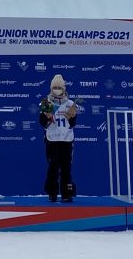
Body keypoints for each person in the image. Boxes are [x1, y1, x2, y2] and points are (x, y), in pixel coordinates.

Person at [39, 74, 77, 202]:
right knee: (53, 167)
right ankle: (52, 193)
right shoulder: (46, 102)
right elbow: (42, 123)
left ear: (64, 88)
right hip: (52, 140)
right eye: (55, 87)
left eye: (59, 87)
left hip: (66, 140)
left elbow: (73, 124)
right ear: (51, 88)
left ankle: (67, 193)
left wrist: (72, 117)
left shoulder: (70, 103)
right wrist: (48, 117)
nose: (57, 90)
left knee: (66, 168)